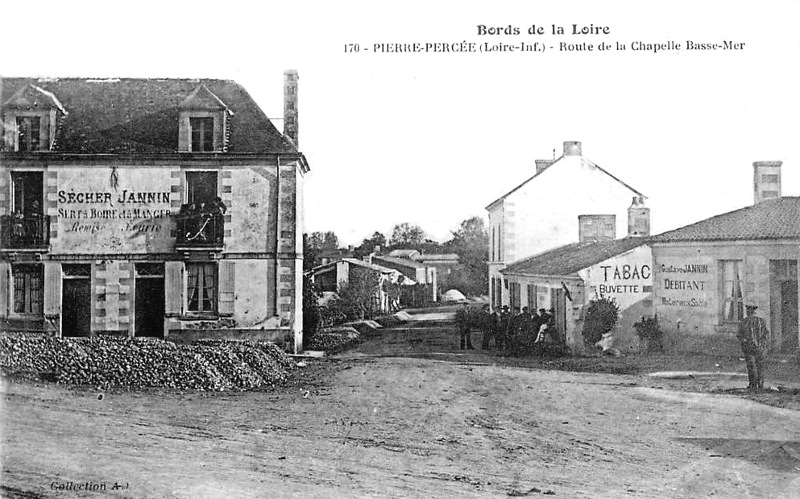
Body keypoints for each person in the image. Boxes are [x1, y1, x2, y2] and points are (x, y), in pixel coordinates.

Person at [737, 304, 769, 390]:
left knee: (751, 366)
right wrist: (763, 344)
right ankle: (760, 384)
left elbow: (739, 335)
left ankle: (753, 384)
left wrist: (744, 342)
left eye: (748, 311)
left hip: (749, 347)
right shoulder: (761, 321)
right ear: (754, 312)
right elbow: (766, 334)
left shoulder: (743, 321)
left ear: (748, 312)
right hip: (760, 347)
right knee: (760, 366)